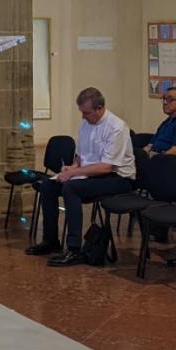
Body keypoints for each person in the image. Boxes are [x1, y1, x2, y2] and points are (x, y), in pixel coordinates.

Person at [27, 87, 135, 267]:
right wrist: (72, 167)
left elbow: (106, 166)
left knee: (71, 188)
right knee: (48, 186)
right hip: (91, 174)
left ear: (100, 108)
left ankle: (74, 248)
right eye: (81, 112)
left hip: (118, 178)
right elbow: (81, 156)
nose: (83, 117)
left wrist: (73, 173)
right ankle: (51, 240)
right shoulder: (86, 123)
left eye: (87, 112)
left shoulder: (117, 127)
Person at [137, 86, 176, 172]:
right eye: (164, 99)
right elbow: (151, 144)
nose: (165, 102)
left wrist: (155, 159)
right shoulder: (167, 122)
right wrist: (141, 154)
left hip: (170, 165)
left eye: (170, 99)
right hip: (155, 156)